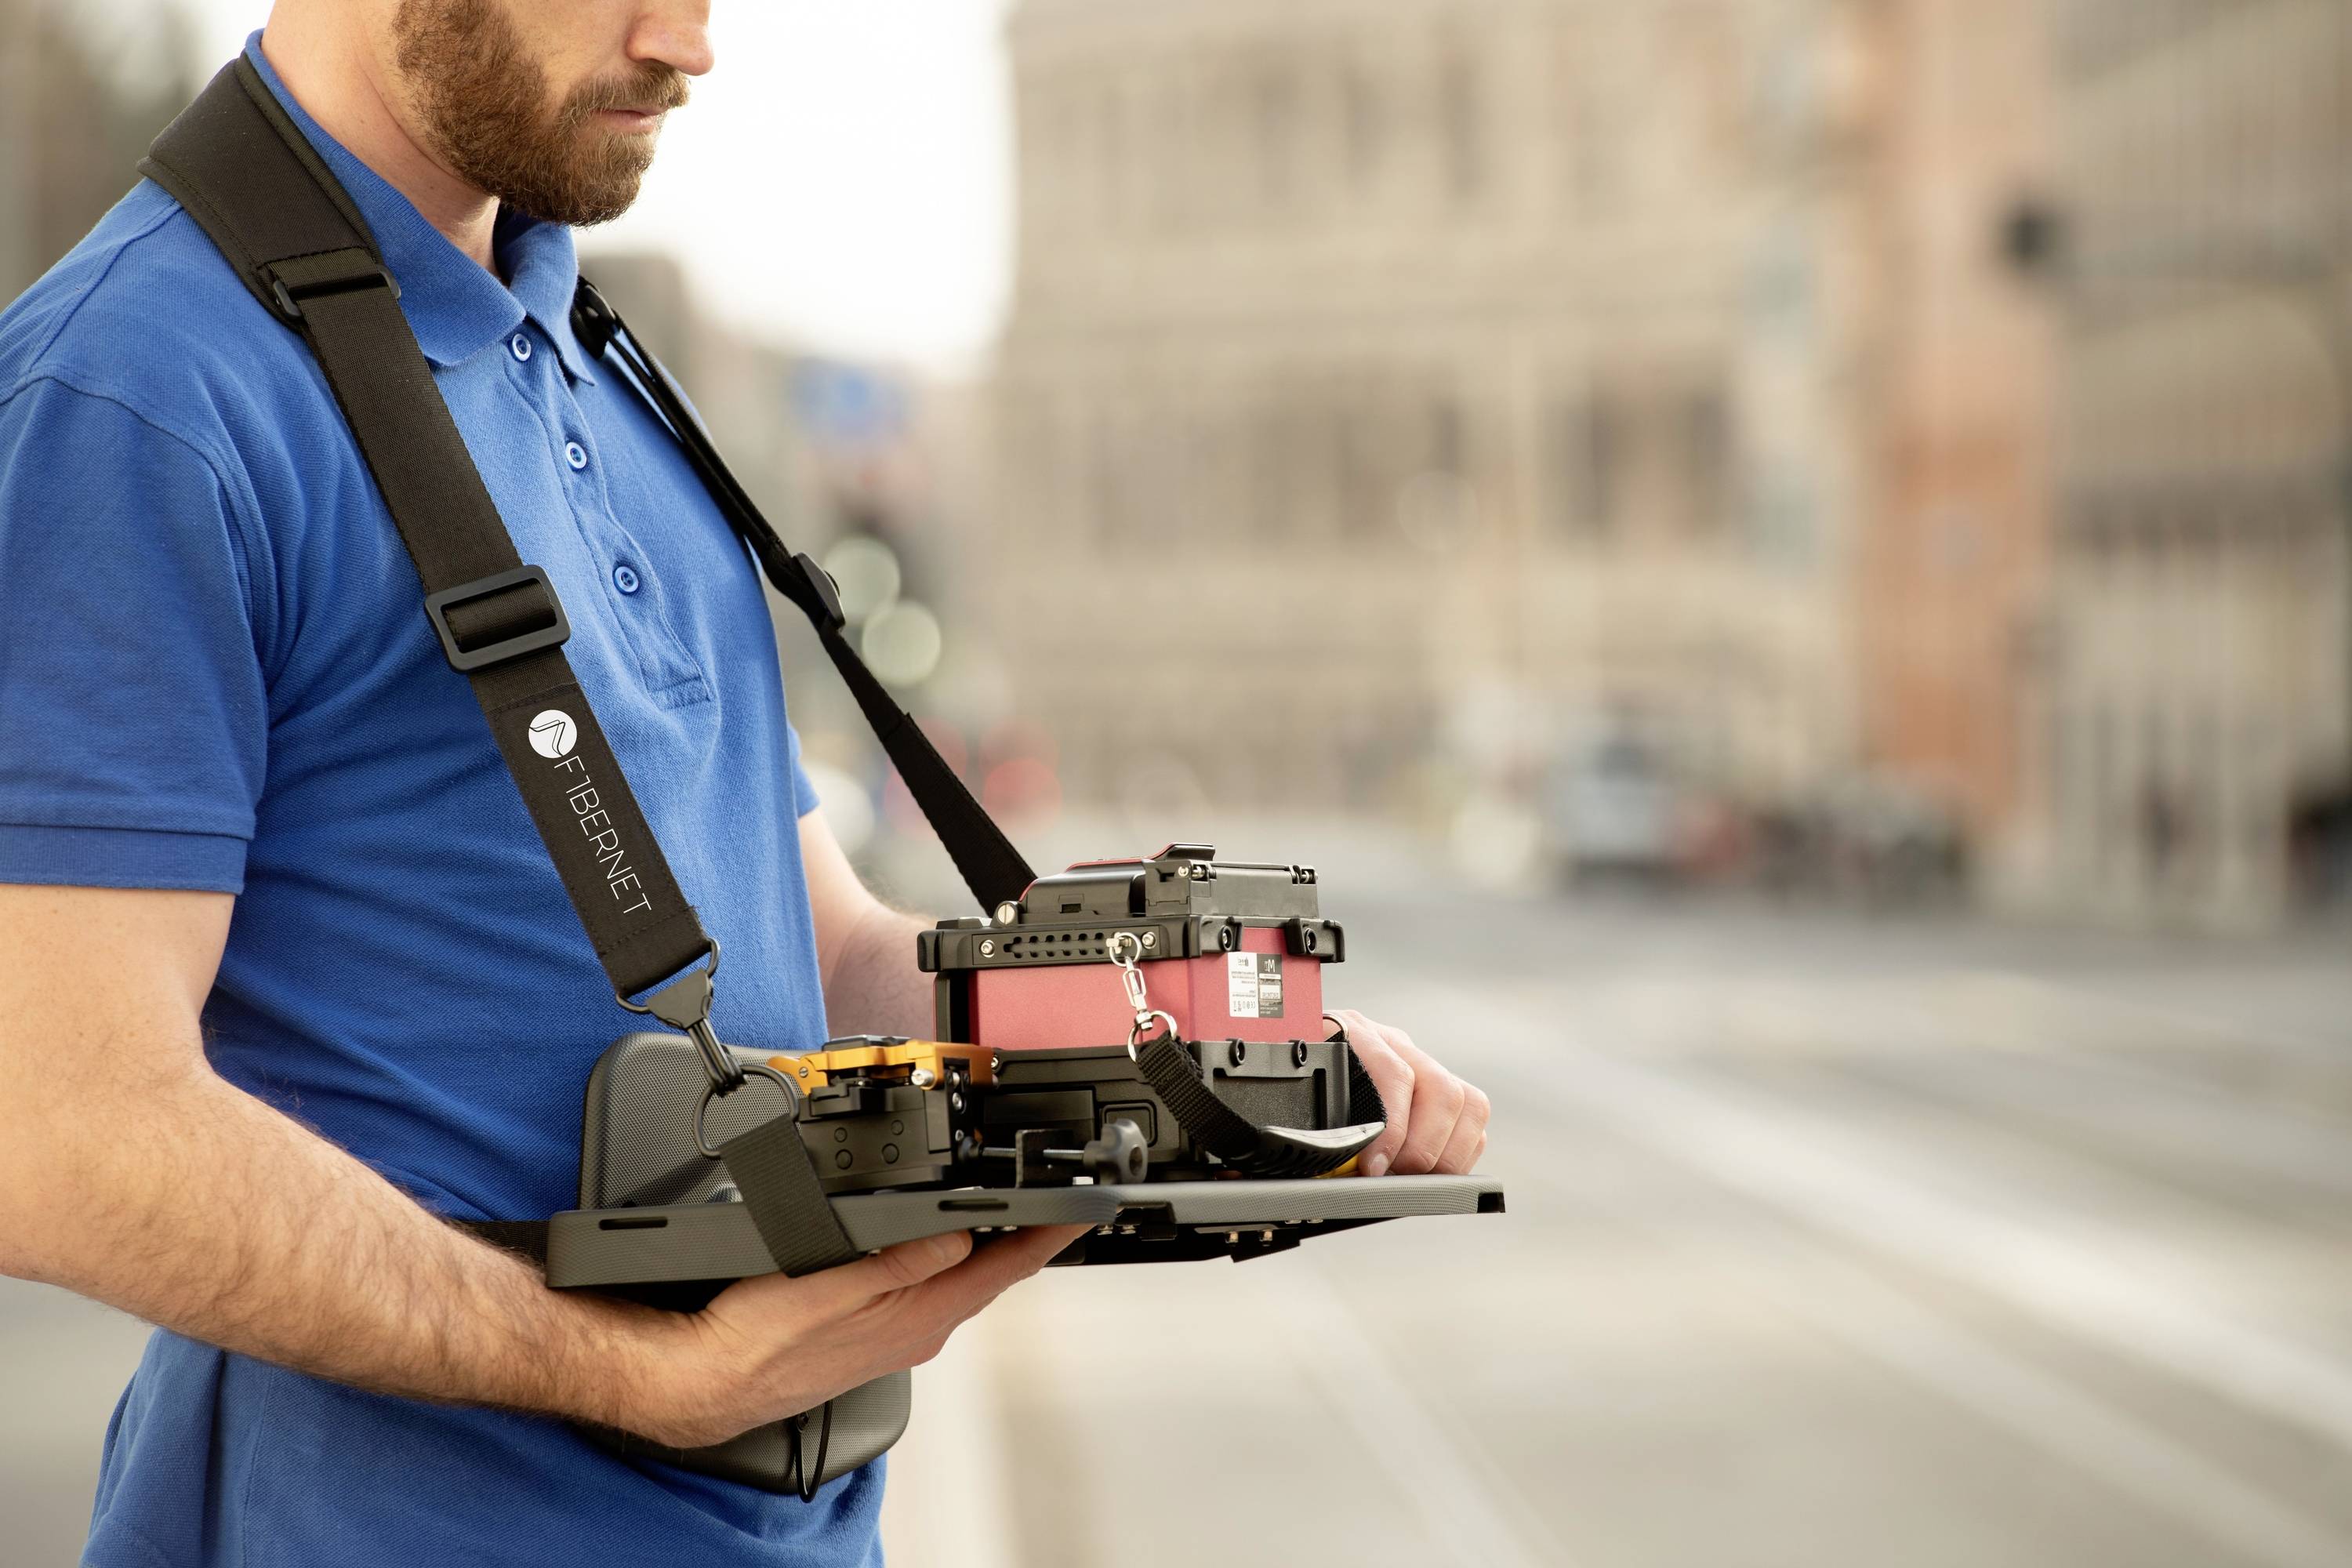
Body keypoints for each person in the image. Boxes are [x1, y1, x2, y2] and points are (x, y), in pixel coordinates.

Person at [0, 2, 1493, 1564]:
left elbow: (822, 950)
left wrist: (1200, 1055)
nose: (686, 45)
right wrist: (631, 1374)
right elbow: (54, 1125)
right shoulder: (128, 394)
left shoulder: (604, 376)